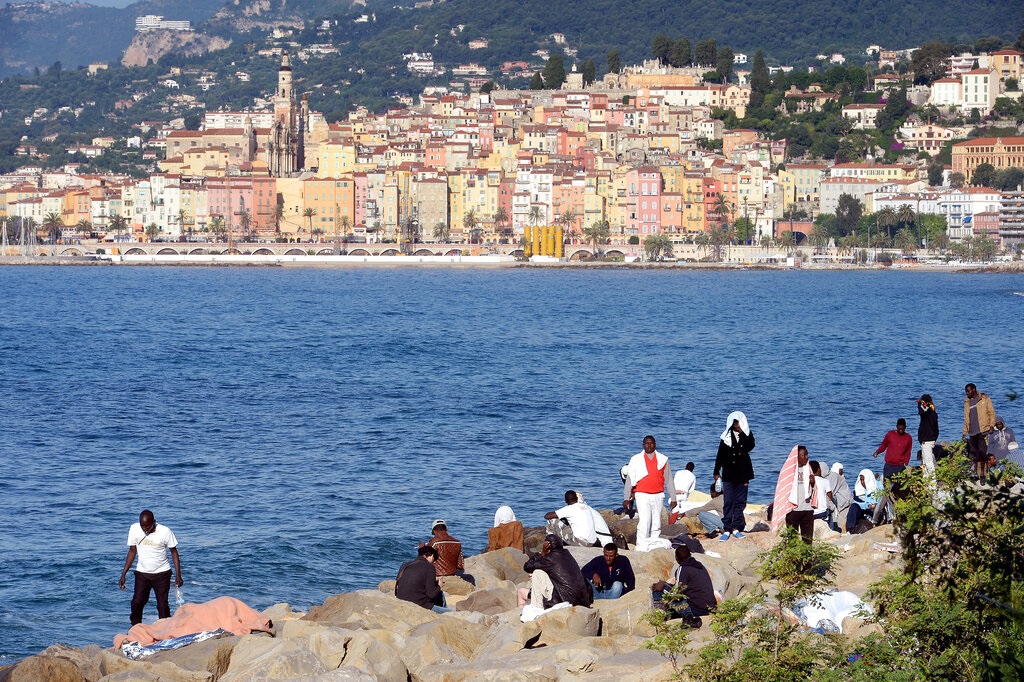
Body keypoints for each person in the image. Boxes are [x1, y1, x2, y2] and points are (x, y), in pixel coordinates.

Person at [118, 510, 183, 626]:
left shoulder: (165, 531)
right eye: (142, 526)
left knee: (162, 605)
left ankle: (165, 629)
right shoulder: (134, 529)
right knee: (137, 602)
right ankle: (135, 628)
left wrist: (178, 575)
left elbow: (174, 552)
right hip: (142, 573)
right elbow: (132, 551)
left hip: (162, 573)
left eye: (147, 526)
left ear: (154, 522)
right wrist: (124, 574)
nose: (144, 529)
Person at [623, 435, 676, 551]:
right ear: (643, 445)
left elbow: (669, 480)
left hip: (658, 495)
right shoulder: (636, 460)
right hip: (642, 495)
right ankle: (641, 546)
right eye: (647, 443)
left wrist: (673, 498)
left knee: (656, 522)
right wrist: (626, 497)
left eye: (651, 443)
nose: (649, 445)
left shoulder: (663, 460)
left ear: (655, 444)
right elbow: (630, 480)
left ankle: (654, 545)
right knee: (644, 521)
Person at [517, 534, 593, 609]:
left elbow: (527, 567)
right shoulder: (568, 556)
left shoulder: (549, 559)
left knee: (536, 573)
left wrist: (542, 553)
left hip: (563, 601)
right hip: (582, 602)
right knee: (540, 572)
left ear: (547, 548)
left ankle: (537, 607)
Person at [713, 411, 755, 541]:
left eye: (739, 422)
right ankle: (727, 528)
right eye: (735, 422)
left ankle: (736, 527)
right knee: (729, 501)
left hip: (743, 474)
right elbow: (720, 455)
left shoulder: (747, 434)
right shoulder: (725, 436)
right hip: (729, 474)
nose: (737, 425)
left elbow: (750, 446)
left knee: (740, 502)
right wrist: (716, 472)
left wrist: (743, 433)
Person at [650, 545, 716, 626]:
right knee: (666, 589)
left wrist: (662, 586)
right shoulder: (699, 565)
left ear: (676, 558)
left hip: (696, 610)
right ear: (690, 555)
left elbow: (676, 594)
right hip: (708, 608)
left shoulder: (683, 569)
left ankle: (660, 619)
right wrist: (665, 584)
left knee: (658, 592)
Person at [872, 418, 913, 524]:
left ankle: (897, 516)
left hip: (900, 468)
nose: (901, 428)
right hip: (889, 467)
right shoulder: (890, 435)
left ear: (905, 427)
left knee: (898, 493)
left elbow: (908, 452)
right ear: (896, 426)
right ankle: (879, 518)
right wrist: (877, 452)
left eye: (903, 427)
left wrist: (906, 464)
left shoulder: (908, 438)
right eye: (899, 426)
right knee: (887, 492)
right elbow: (884, 445)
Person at [781, 446, 820, 544]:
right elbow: (783, 489)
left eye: (807, 454)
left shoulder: (808, 469)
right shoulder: (788, 470)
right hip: (793, 510)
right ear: (796, 457)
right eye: (804, 455)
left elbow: (813, 490)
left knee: (807, 541)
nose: (807, 457)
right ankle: (793, 559)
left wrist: (812, 483)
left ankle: (806, 559)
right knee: (792, 541)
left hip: (807, 509)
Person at [395, 545, 450, 613]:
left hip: (400, 600)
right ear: (432, 556)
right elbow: (431, 594)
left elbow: (412, 581)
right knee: (451, 611)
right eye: (434, 560)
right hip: (419, 604)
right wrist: (439, 586)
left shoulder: (405, 564)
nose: (433, 562)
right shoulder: (429, 567)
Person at [963, 383, 996, 481]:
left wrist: (991, 425)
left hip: (983, 431)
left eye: (968, 391)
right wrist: (964, 432)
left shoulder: (984, 399)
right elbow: (966, 419)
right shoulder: (967, 402)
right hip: (972, 432)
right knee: (974, 454)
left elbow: (991, 412)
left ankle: (983, 475)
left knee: (982, 453)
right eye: (966, 391)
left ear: (974, 389)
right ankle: (976, 474)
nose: (967, 393)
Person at [916, 394, 939, 475]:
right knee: (925, 462)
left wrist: (919, 404)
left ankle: (933, 485)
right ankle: (927, 483)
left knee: (928, 463)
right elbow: (936, 430)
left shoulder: (927, 413)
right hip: (931, 439)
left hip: (927, 440)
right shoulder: (933, 413)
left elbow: (921, 412)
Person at [827, 462, 853, 533]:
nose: (842, 471)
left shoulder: (837, 477)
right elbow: (831, 492)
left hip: (844, 505)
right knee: (841, 527)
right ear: (838, 470)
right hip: (842, 507)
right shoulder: (836, 478)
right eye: (841, 470)